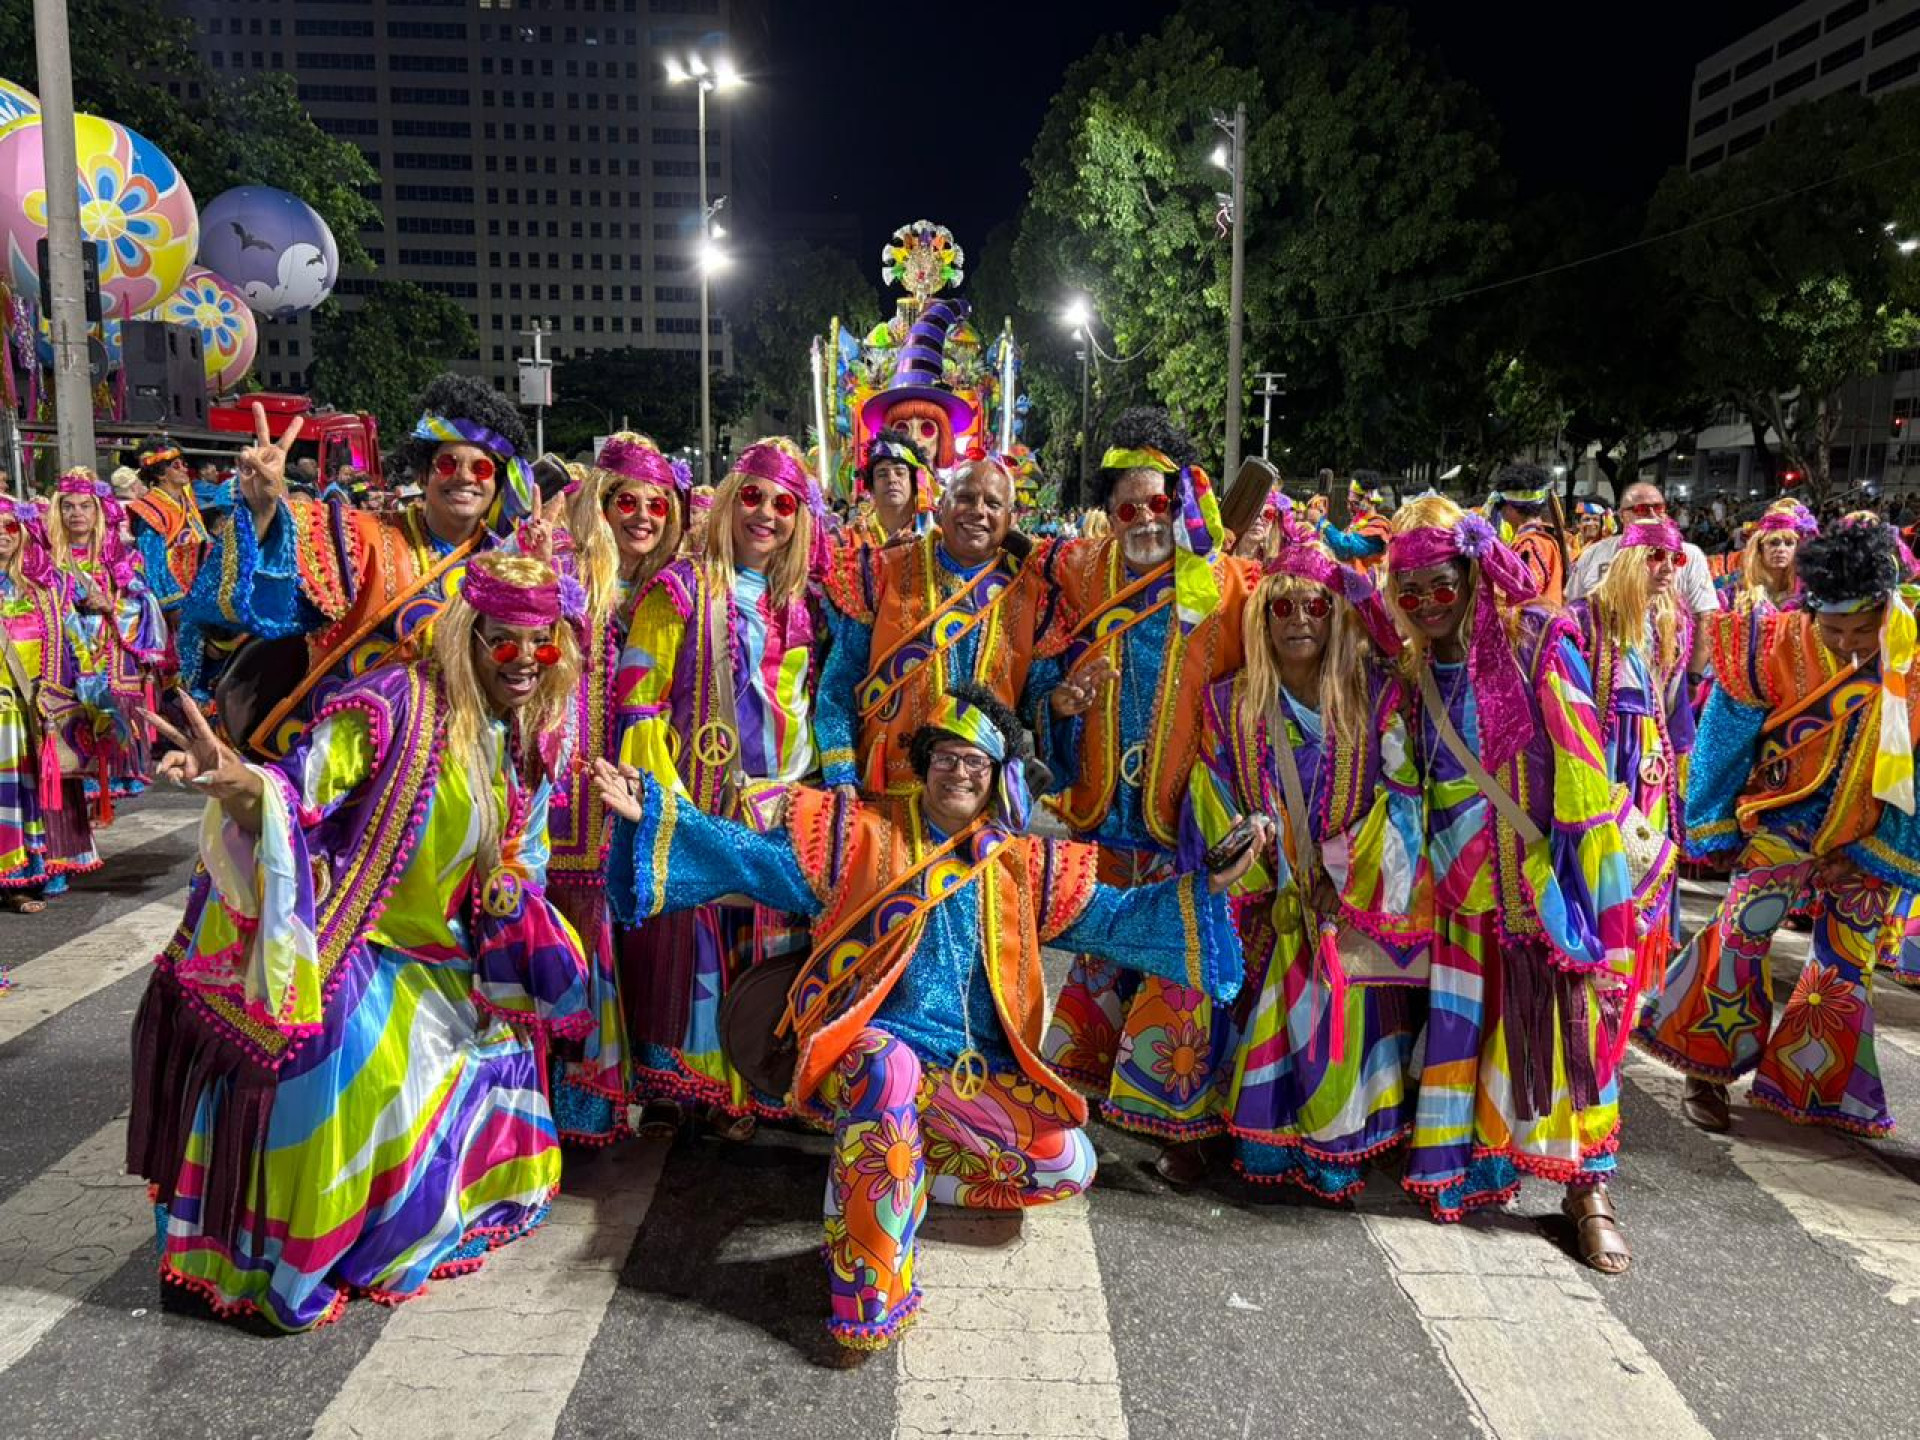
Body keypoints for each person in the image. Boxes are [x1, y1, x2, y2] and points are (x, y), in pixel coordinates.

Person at [594, 688, 1262, 1351]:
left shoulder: (1023, 865)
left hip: (965, 1074)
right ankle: (867, 1292)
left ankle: (896, 1176)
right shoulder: (858, 835)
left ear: (996, 775)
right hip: (869, 1057)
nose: (958, 773)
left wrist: (1208, 885)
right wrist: (658, 814)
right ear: (923, 763)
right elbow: (755, 860)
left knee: (1068, 1165)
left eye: (975, 761)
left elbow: (1114, 920)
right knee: (889, 1069)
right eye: (945, 756)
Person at [126, 551, 592, 1332]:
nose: (524, 661)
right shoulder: (395, 702)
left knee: (508, 1058)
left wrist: (512, 895)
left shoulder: (532, 733)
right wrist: (232, 781)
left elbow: (526, 853)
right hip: (365, 942)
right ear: (468, 636)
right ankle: (306, 1252)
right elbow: (296, 792)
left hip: (458, 959)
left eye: (542, 646)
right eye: (505, 642)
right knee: (357, 1068)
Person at [1387, 497, 1639, 1272]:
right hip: (1458, 891)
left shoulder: (1537, 642)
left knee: (1568, 1038)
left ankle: (1589, 1191)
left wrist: (1589, 889)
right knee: (1472, 1031)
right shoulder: (1411, 668)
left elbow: (1583, 772)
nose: (1429, 604)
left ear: (1471, 574)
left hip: (1539, 885)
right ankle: (1477, 1161)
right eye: (1410, 592)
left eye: (1442, 585)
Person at [1633, 517, 1920, 1137]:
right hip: (1782, 820)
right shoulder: (1770, 644)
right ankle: (1704, 1069)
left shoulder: (1912, 657)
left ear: (1888, 608)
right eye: (1833, 629)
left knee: (1847, 964)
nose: (1848, 644)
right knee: (1741, 932)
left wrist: (1879, 851)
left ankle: (1814, 1087)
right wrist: (1714, 825)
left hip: (1870, 832)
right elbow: (1724, 735)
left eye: (1862, 630)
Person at [1036, 407, 1251, 1184]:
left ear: (1182, 500)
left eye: (1159, 503)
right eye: (1127, 508)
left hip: (1182, 816)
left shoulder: (1223, 583)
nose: (1146, 520)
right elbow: (1039, 658)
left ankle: (1182, 1122)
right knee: (1102, 951)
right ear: (1107, 512)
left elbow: (1257, 681)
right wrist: (1059, 701)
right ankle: (1086, 1087)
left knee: (1179, 959)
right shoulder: (1079, 572)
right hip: (1104, 810)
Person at [1183, 535, 1429, 1197]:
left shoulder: (1377, 697)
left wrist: (1344, 880)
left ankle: (1336, 1146)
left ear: (1336, 617)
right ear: (1261, 618)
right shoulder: (1227, 704)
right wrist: (1260, 875)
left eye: (1316, 607)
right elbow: (1211, 797)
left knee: (1342, 1026)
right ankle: (1251, 1136)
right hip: (1265, 905)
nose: (1299, 621)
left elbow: (1403, 796)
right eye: (1283, 608)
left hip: (1346, 911)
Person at [618, 439, 826, 1137]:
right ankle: (695, 1088)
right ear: (731, 500)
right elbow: (640, 700)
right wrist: (670, 807)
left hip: (777, 806)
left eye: (783, 504)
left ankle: (754, 1080)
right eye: (753, 497)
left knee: (764, 947)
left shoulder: (799, 603)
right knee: (693, 946)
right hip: (696, 798)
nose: (766, 514)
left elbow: (799, 703)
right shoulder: (677, 588)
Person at [188, 375, 534, 755]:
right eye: (447, 464)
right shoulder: (360, 536)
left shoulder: (508, 565)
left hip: (462, 757)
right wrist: (263, 510)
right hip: (351, 757)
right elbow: (267, 594)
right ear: (423, 475)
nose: (465, 477)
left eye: (481, 469)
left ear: (498, 483)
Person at [543, 432, 693, 1145]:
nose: (642, 518)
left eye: (657, 507)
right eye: (626, 502)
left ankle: (624, 1089)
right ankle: (564, 1104)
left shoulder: (666, 589)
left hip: (633, 781)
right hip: (567, 790)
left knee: (629, 923)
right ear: (598, 506)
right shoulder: (565, 568)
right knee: (569, 929)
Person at [816, 457, 1069, 797]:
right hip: (887, 787)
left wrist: (1057, 703)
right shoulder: (882, 572)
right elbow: (840, 680)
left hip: (978, 792)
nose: (978, 511)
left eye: (993, 503)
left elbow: (1036, 695)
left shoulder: (1033, 595)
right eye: (965, 498)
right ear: (940, 507)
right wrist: (841, 772)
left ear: (1011, 519)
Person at [1567, 519, 1696, 1001]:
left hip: (1650, 765)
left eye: (1675, 559)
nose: (1666, 569)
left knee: (1646, 861)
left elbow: (1674, 703)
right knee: (1605, 870)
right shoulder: (1584, 618)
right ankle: (1599, 974)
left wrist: (1680, 758)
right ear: (1626, 559)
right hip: (1603, 760)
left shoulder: (1668, 623)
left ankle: (1631, 985)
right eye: (1655, 557)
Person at [0, 499, 98, 921]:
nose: (1, 533)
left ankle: (27, 873)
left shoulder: (47, 588)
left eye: (9, 525)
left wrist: (92, 699)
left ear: (23, 532)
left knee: (27, 795)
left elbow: (77, 645)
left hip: (35, 712)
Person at [47, 468, 167, 812]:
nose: (77, 514)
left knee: (106, 719)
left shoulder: (119, 555)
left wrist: (112, 604)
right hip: (66, 652)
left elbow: (144, 599)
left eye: (85, 506)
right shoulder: (47, 556)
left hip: (107, 648)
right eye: (69, 506)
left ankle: (104, 794)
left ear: (97, 510)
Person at [1569, 482, 1718, 679]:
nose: (1652, 514)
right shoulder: (1594, 554)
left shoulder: (1690, 555)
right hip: (1605, 676)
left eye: (1659, 507)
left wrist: (1693, 677)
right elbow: (1574, 613)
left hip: (1666, 675)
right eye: (1641, 509)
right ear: (1622, 515)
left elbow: (1705, 617)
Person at [125, 434, 208, 623]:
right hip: (175, 606)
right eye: (176, 465)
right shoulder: (149, 511)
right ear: (160, 474)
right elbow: (154, 564)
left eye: (184, 464)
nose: (184, 469)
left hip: (199, 594)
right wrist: (173, 606)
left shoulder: (188, 501)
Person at [1720, 497, 1817, 613]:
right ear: (1760, 547)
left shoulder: (1808, 593)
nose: (1781, 549)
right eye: (1773, 543)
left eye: (1789, 543)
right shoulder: (1734, 590)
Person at [1491, 462, 1567, 606]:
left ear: (1511, 507)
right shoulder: (1541, 538)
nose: (1501, 512)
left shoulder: (1531, 544)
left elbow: (1526, 594)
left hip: (1535, 618)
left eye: (1501, 505)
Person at [845, 436, 933, 549]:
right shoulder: (851, 536)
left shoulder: (935, 534)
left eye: (900, 473)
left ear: (916, 482)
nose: (892, 479)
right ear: (871, 487)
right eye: (882, 474)